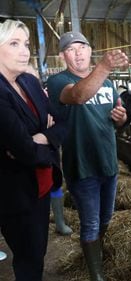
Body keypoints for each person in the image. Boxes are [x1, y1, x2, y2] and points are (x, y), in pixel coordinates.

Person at [47, 31, 129, 281]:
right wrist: (104, 67)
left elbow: (114, 118)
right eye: (71, 49)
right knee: (91, 222)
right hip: (82, 166)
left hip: (108, 161)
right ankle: (96, 276)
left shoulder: (109, 84)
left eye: (83, 46)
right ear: (63, 56)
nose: (79, 52)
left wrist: (121, 118)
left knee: (105, 218)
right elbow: (79, 96)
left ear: (90, 50)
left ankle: (96, 258)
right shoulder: (59, 81)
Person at [0, 19, 66, 281]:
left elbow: (60, 125)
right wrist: (35, 142)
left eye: (25, 43)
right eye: (13, 43)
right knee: (27, 263)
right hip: (14, 194)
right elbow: (25, 151)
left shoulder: (29, 82)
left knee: (36, 255)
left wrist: (41, 138)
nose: (24, 51)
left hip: (41, 186)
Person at [27, 64, 73, 236]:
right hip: (26, 155)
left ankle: (59, 222)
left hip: (49, 150)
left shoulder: (44, 97)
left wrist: (47, 136)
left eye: (35, 80)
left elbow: (60, 121)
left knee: (55, 180)